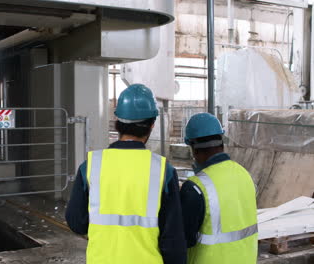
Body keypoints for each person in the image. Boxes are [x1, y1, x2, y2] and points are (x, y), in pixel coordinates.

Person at [65, 84, 187, 264]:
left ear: (117, 122)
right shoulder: (163, 171)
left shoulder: (90, 166)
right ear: (152, 125)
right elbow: (173, 240)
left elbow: (76, 223)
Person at [180, 113, 258, 264]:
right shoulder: (245, 175)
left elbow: (183, 240)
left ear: (194, 149)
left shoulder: (195, 188)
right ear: (221, 143)